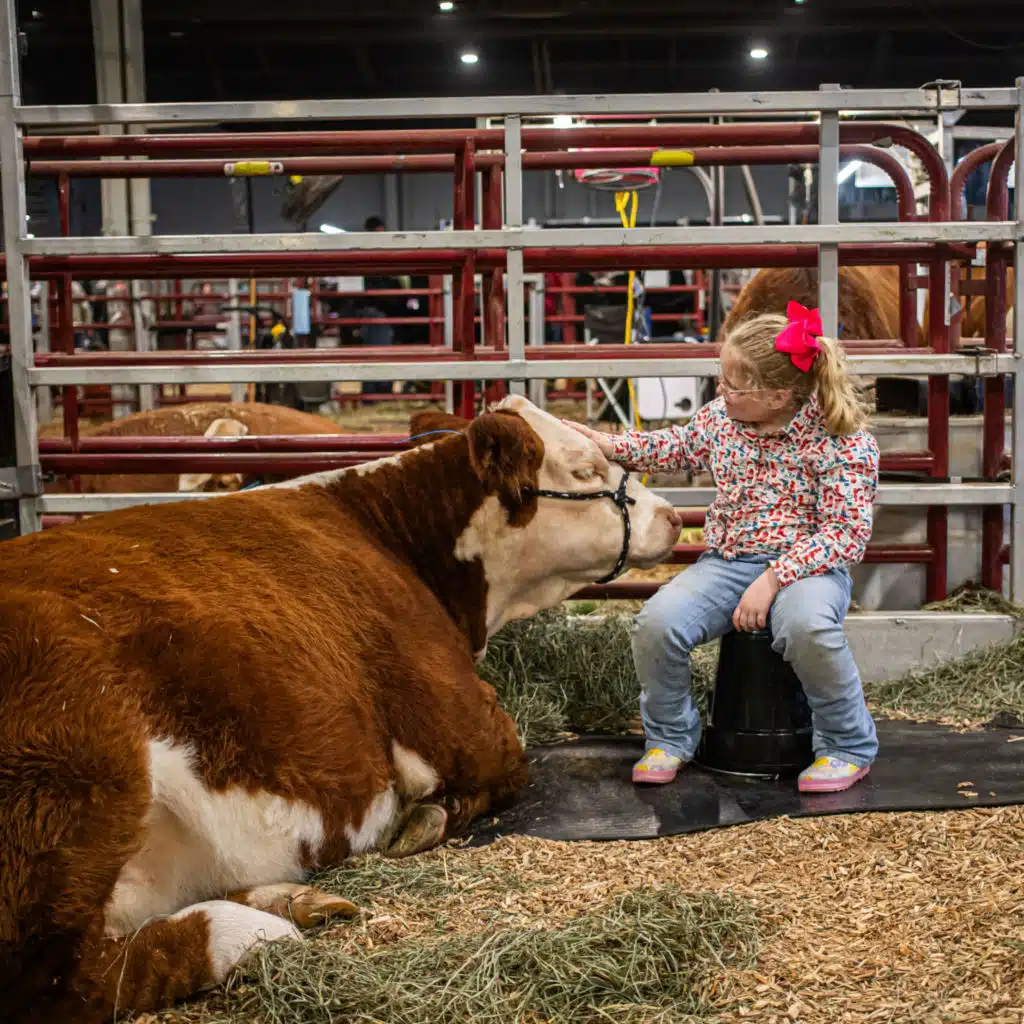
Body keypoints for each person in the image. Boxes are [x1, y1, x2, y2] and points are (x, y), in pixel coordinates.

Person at [565, 303, 880, 794]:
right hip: (729, 562)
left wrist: (774, 578)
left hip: (809, 569)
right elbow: (675, 446)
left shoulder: (843, 441)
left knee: (808, 628)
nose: (721, 392)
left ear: (777, 396)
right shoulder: (721, 421)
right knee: (656, 625)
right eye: (722, 379)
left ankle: (847, 745)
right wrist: (607, 445)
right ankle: (670, 737)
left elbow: (845, 533)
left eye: (734, 386)